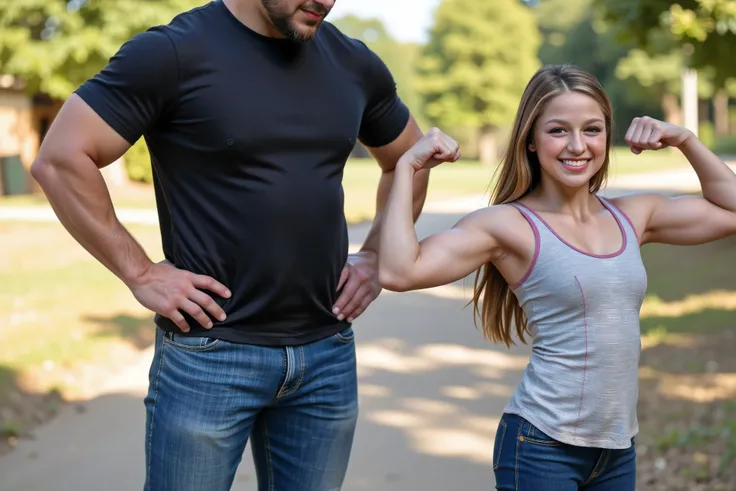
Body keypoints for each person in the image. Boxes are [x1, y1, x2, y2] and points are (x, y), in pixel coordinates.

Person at [30, 0, 432, 490]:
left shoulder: (353, 63)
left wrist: (374, 257)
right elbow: (61, 158)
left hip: (326, 353)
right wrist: (140, 272)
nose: (324, 1)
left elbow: (409, 157)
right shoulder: (173, 53)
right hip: (211, 355)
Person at [377, 64, 736, 490]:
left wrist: (685, 140)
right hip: (541, 446)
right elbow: (398, 271)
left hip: (617, 449)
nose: (578, 145)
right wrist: (406, 169)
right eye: (558, 130)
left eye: (592, 129)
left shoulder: (633, 216)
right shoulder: (509, 225)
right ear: (530, 139)